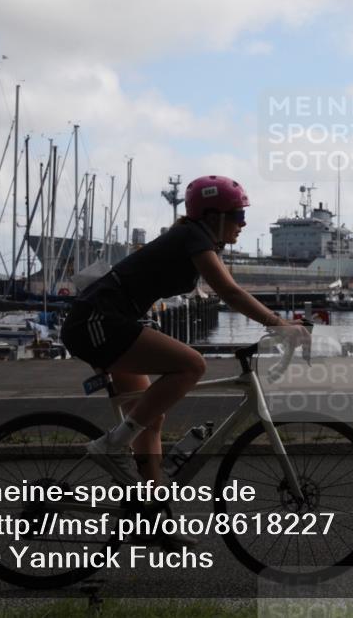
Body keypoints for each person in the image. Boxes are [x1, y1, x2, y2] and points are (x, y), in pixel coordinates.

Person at [61, 175, 307, 493]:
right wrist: (279, 324)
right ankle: (112, 446)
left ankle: (154, 514)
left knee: (147, 418)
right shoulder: (193, 236)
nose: (243, 224)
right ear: (212, 217)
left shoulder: (196, 239)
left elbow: (228, 291)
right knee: (192, 365)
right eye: (238, 215)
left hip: (105, 320)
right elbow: (229, 293)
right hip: (97, 321)